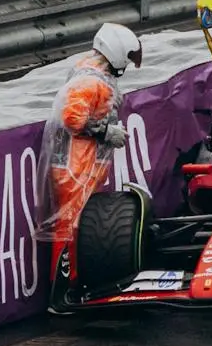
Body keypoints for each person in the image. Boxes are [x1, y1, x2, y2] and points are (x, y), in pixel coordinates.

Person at [37, 23, 143, 248]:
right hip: (75, 168)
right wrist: (106, 132)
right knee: (70, 228)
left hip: (82, 165)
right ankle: (67, 280)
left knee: (79, 226)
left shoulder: (91, 72)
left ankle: (73, 276)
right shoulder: (90, 81)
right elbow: (72, 118)